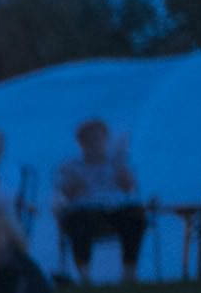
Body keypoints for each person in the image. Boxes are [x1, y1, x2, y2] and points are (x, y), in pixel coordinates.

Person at [53, 120, 149, 283]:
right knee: (78, 222)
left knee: (135, 217)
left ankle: (129, 273)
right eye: (89, 140)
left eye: (98, 139)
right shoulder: (71, 166)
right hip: (85, 211)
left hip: (115, 209)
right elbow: (65, 194)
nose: (95, 143)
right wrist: (81, 178)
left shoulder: (117, 162)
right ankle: (84, 276)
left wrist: (119, 165)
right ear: (81, 143)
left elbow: (129, 187)